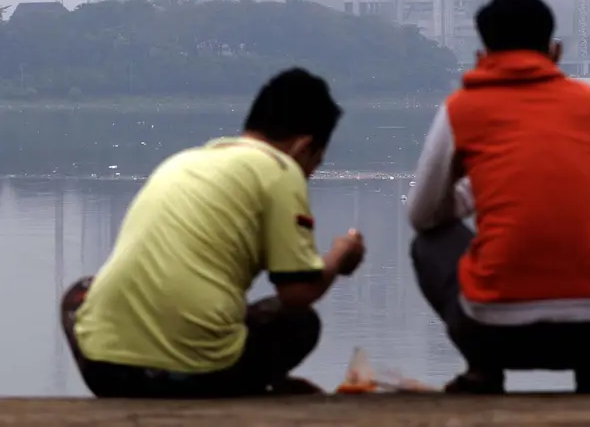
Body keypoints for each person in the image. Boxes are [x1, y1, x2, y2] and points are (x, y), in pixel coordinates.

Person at [61, 68, 366, 398]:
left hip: (104, 370)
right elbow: (298, 292)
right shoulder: (281, 171)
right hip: (195, 377)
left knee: (81, 293)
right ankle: (239, 382)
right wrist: (340, 254)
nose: (309, 175)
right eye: (315, 164)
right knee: (299, 323)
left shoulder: (184, 162)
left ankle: (246, 378)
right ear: (303, 147)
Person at [409, 0, 590, 395]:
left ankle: (482, 371)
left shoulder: (462, 109)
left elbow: (423, 216)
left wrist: (473, 193)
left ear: (482, 54)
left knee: (428, 242)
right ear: (554, 50)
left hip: (490, 330)